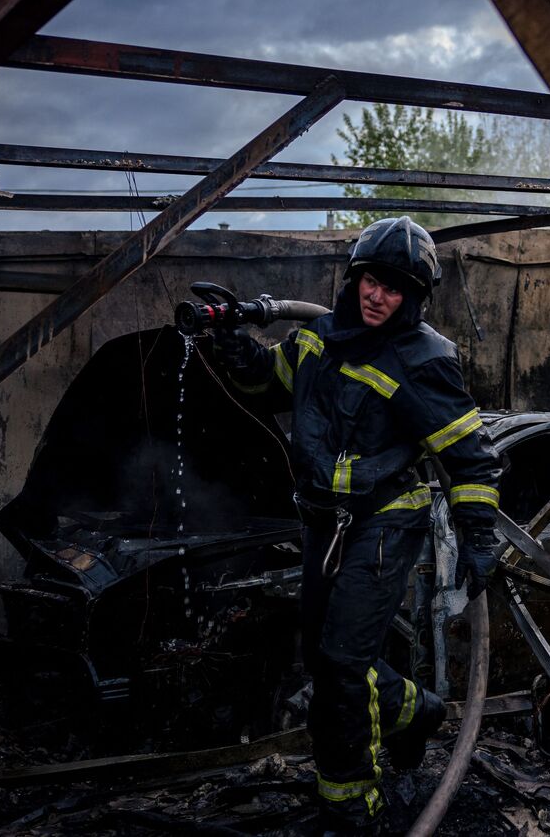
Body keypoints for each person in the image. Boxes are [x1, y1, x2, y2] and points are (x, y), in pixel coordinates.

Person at [213, 216, 502, 834]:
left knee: (343, 667)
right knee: (324, 659)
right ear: (355, 278)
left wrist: (480, 536)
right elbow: (269, 382)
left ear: (413, 297)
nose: (377, 296)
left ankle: (352, 806)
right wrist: (235, 347)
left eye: (393, 288)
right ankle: (414, 710)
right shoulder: (319, 337)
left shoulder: (425, 360)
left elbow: (469, 457)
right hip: (324, 524)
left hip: (385, 523)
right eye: (371, 280)